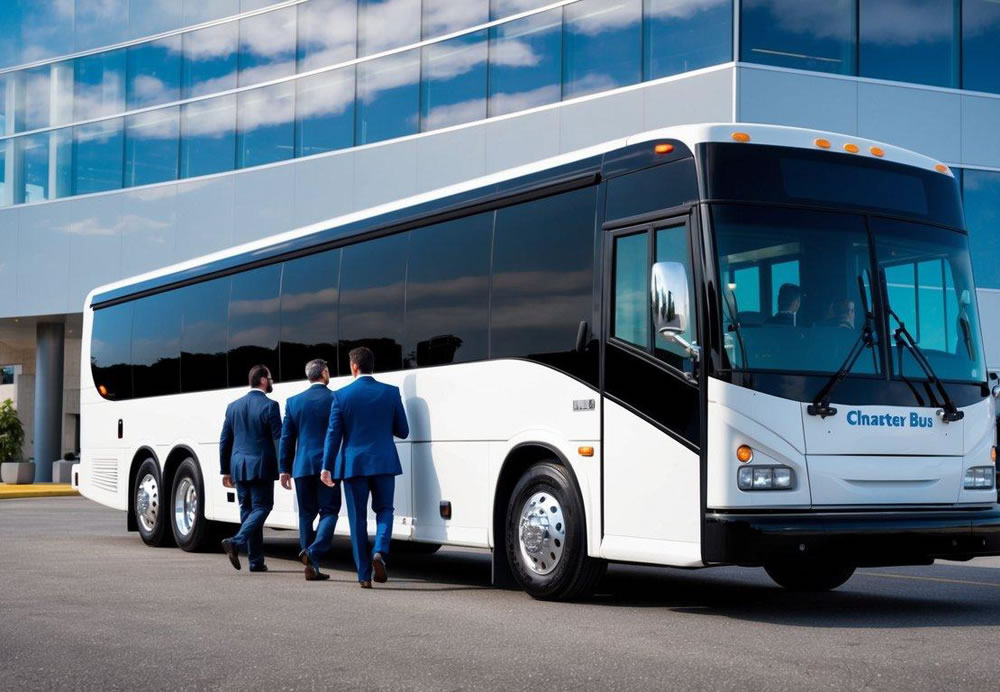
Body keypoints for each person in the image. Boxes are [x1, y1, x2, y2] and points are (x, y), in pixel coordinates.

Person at [321, 346, 409, 589]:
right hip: (383, 462)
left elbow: (333, 435)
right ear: (372, 366)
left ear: (354, 367)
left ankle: (363, 575)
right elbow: (403, 430)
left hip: (353, 465)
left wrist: (326, 467)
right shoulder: (390, 393)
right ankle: (380, 550)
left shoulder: (341, 396)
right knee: (385, 510)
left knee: (358, 519)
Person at [278, 358, 340, 582]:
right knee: (330, 511)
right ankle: (313, 553)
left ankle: (311, 565)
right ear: (324, 372)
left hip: (302, 466)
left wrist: (284, 468)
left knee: (306, 514)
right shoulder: (336, 398)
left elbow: (286, 438)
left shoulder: (293, 402)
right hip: (328, 466)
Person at [219, 365, 282, 573]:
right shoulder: (270, 406)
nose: (271, 381)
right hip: (261, 466)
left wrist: (225, 470)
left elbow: (225, 441)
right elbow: (278, 440)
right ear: (263, 380)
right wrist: (284, 467)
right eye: (270, 378)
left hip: (238, 466)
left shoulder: (233, 406)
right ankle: (236, 542)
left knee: (247, 511)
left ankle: (255, 561)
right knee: (263, 508)